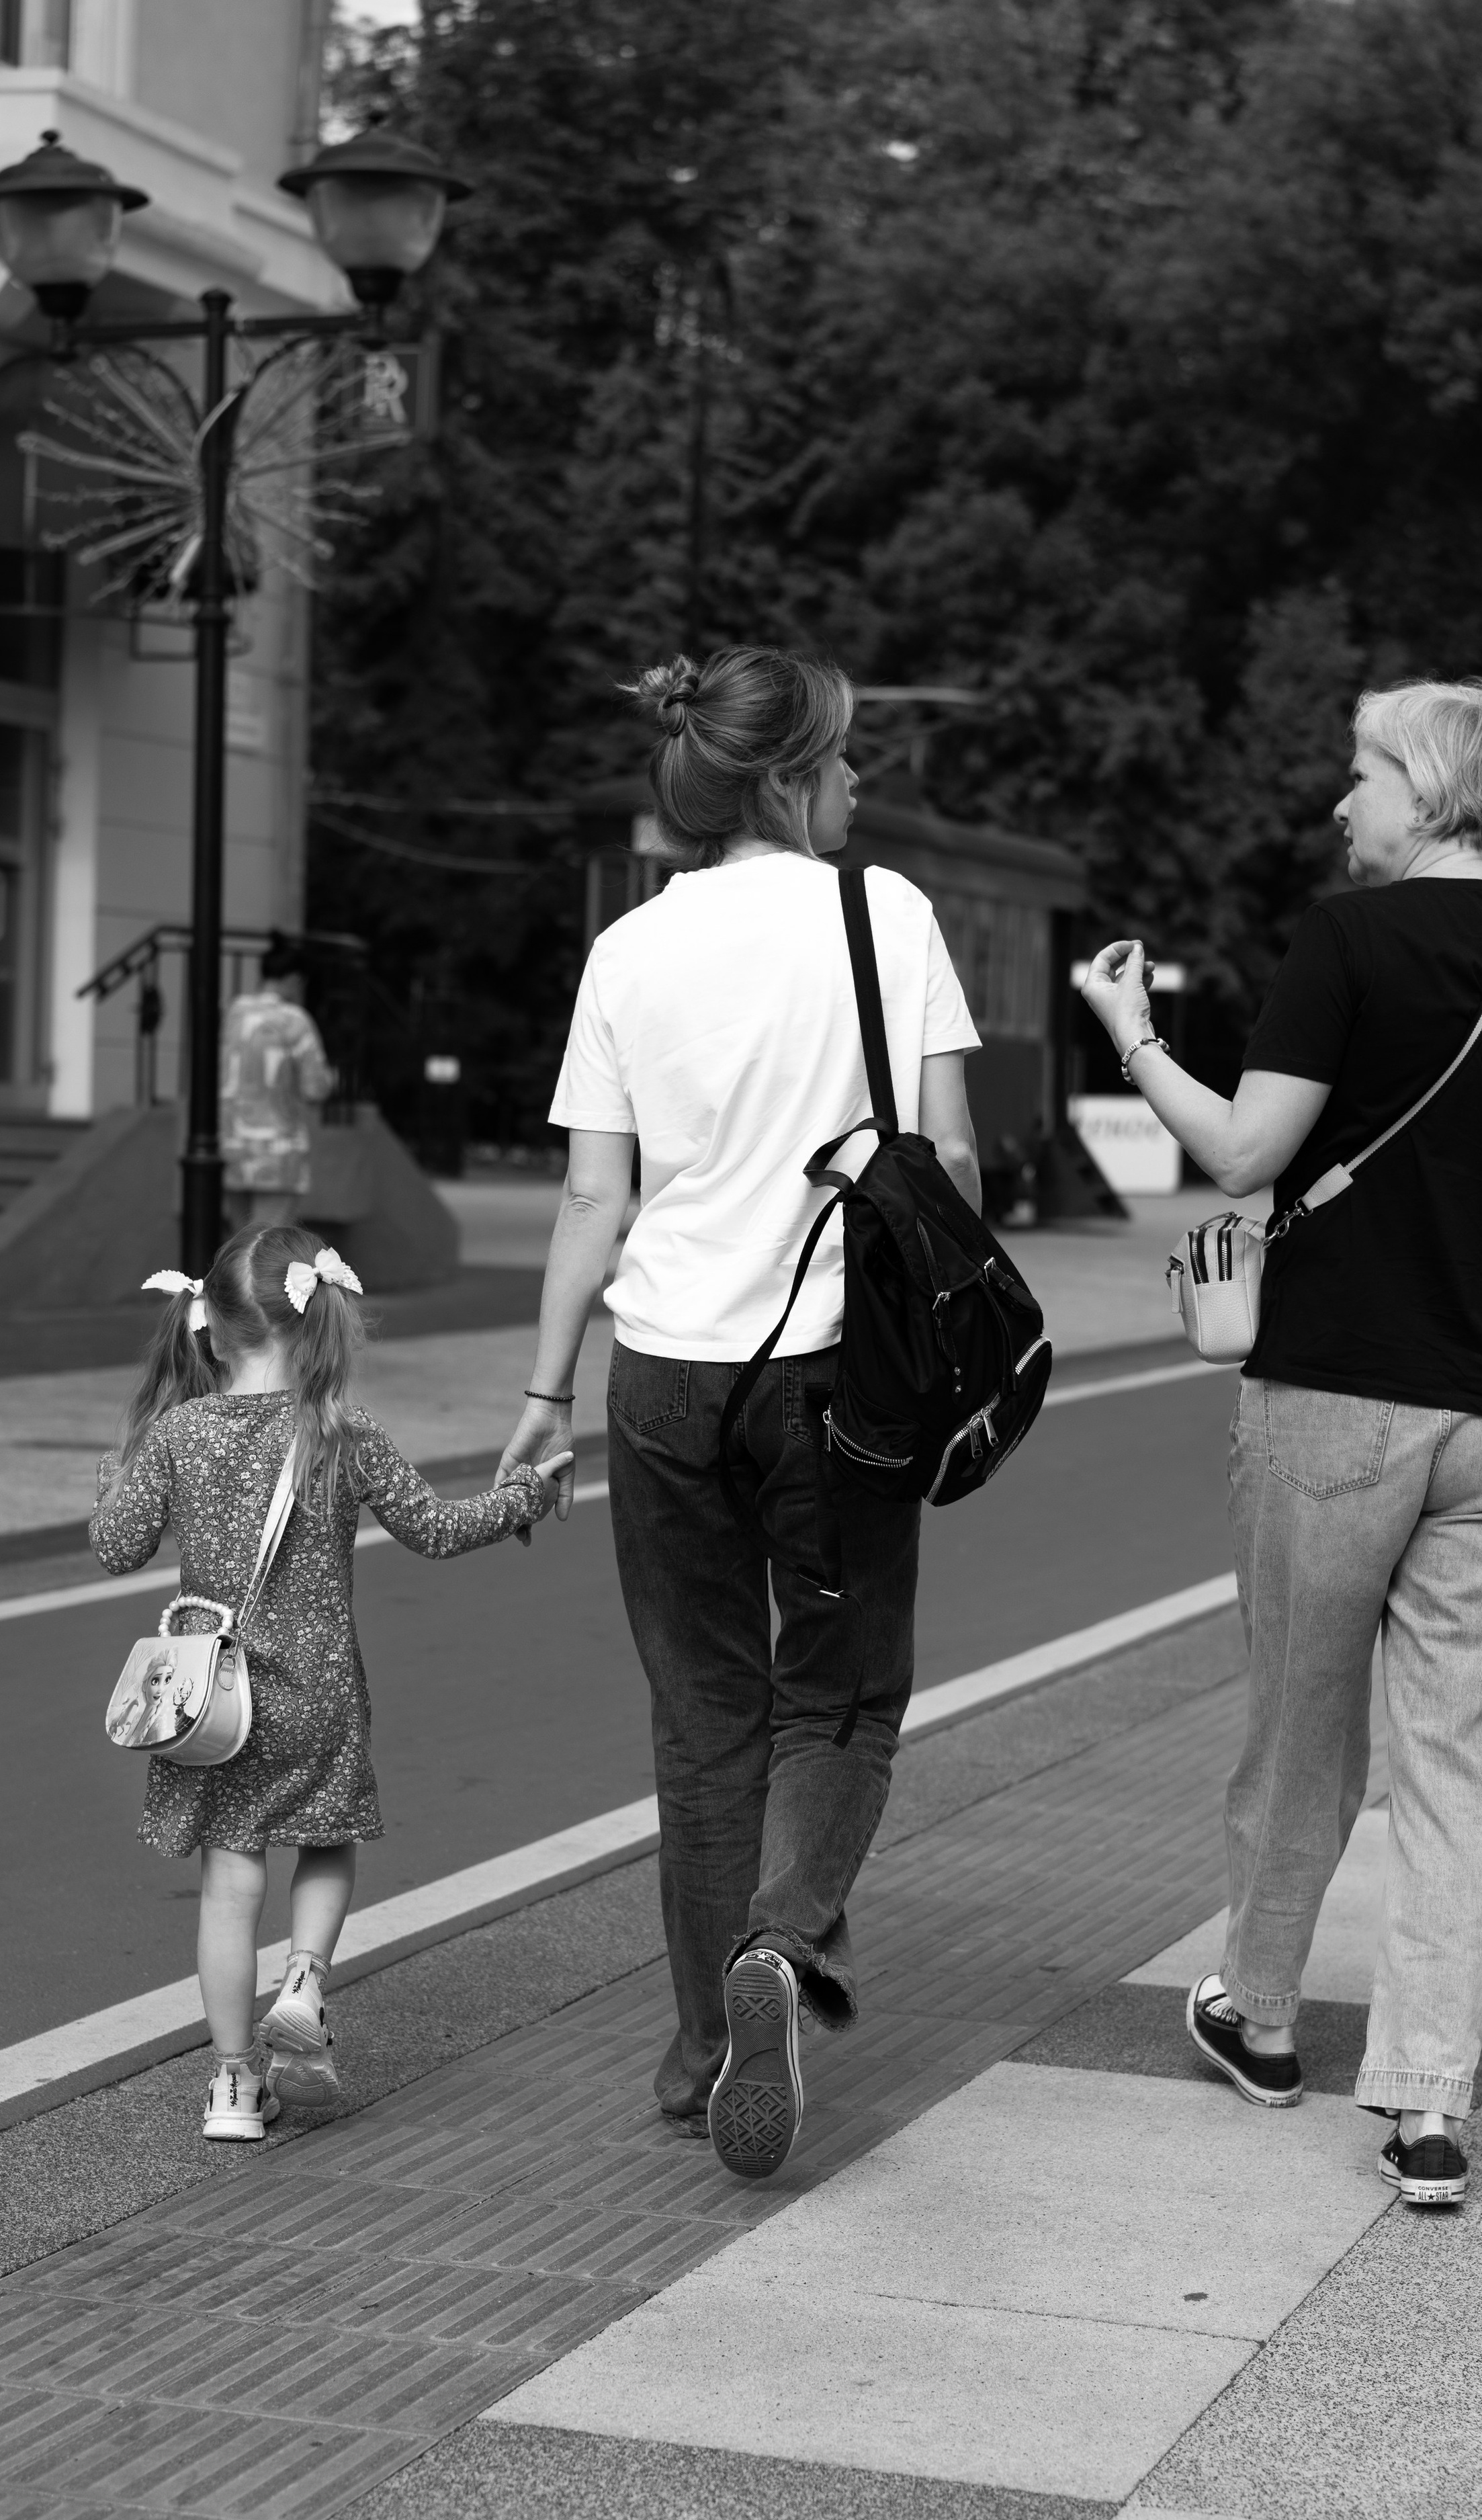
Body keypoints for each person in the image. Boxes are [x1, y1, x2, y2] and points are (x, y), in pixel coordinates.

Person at [1082, 677, 1482, 2210]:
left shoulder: (1345, 943)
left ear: (1435, 791)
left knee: (1302, 1718)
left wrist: (1132, 1039)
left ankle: (1259, 2018)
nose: (1340, 803)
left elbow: (1244, 1152)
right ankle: (1426, 2110)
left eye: (1361, 772)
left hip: (1329, 1393)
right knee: (1461, 1760)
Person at [496, 645, 982, 2181]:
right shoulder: (880, 914)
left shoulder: (627, 950)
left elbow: (594, 1194)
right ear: (786, 777)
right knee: (834, 1697)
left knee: (702, 1717)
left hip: (663, 1376)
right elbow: (954, 1157)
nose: (856, 785)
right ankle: (780, 1943)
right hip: (841, 1370)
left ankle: (705, 2037)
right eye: (842, 761)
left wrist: (538, 1389)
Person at [91, 1222, 570, 2144]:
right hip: (319, 1692)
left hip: (213, 1704)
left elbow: (115, 1547)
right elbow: (435, 1527)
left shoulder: (178, 1431)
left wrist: (107, 1479)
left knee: (230, 1883)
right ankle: (306, 1978)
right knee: (327, 1842)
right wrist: (530, 1495)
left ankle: (234, 2088)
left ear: (214, 1330)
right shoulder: (343, 1429)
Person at [220, 937, 333, 1229]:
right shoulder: (294, 1020)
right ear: (295, 980)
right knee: (266, 1250)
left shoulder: (235, 1013)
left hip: (233, 1145)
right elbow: (315, 1088)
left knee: (239, 1246)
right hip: (279, 1150)